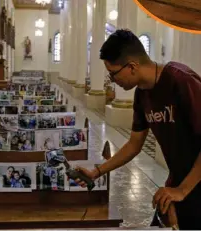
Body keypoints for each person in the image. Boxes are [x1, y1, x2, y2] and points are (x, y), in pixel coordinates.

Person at [75, 29, 201, 230]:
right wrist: (96, 172)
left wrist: (183, 190)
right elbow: (134, 145)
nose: (112, 81)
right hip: (180, 182)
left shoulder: (180, 81)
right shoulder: (142, 95)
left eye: (113, 74)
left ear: (131, 66)